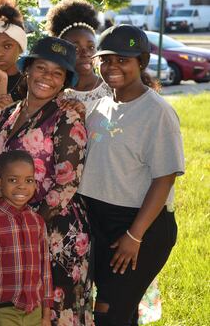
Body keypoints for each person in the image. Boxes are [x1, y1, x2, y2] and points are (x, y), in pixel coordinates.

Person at [79, 25, 183, 326]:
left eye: (122, 59)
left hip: (140, 225)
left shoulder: (157, 112)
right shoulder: (96, 108)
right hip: (99, 223)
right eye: (106, 59)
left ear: (142, 62)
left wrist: (134, 235)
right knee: (119, 311)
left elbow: (164, 179)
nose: (112, 67)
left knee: (109, 313)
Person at [0, 36, 93, 325]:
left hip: (54, 231)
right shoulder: (6, 115)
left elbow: (67, 184)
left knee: (54, 311)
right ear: (28, 69)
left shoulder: (67, 118)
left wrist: (31, 224)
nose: (46, 77)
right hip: (10, 229)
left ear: (64, 81)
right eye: (41, 68)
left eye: (57, 73)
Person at [0, 150, 52, 326]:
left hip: (34, 312)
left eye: (28, 180)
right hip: (1, 311)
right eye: (13, 180)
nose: (22, 186)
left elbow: (45, 271)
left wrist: (46, 314)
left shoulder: (37, 222)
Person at [46, 0, 113, 106]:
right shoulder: (53, 91)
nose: (85, 53)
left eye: (91, 47)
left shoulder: (112, 89)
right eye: (75, 48)